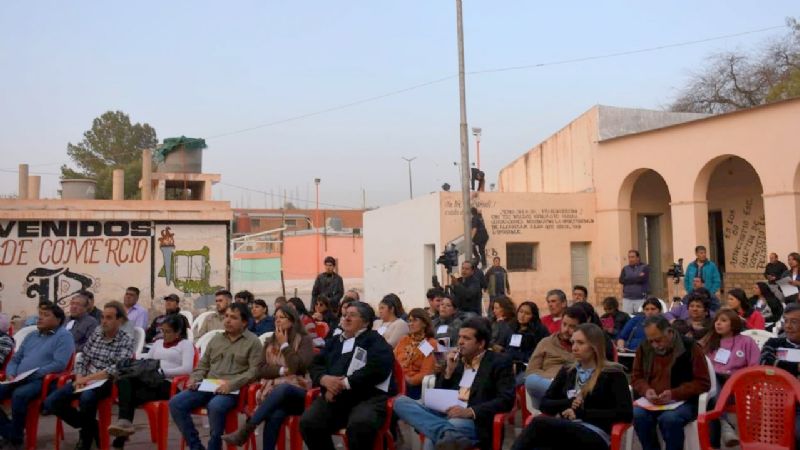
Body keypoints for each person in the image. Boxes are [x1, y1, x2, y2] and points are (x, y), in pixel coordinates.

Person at [393, 317, 515, 450]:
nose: (460, 342)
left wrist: (470, 411)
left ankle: (444, 432)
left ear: (481, 344)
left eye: (466, 338)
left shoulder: (499, 363)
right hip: (445, 412)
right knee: (400, 402)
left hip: (473, 420)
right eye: (460, 337)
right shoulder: (456, 360)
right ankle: (446, 432)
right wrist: (448, 372)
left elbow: (506, 400)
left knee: (434, 437)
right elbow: (439, 394)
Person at [511, 324, 633, 450]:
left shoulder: (613, 374)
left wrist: (580, 413)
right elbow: (545, 404)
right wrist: (568, 403)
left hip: (594, 433)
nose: (574, 348)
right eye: (573, 342)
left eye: (580, 343)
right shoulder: (568, 370)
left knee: (538, 423)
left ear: (594, 347)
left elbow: (625, 414)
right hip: (566, 429)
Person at [299, 301, 395, 450]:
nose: (347, 318)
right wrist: (324, 379)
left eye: (352, 315)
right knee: (309, 422)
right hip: (336, 398)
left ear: (365, 322)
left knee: (359, 425)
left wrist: (343, 384)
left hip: (366, 397)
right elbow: (315, 364)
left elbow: (377, 368)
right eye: (345, 315)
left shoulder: (375, 340)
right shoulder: (335, 341)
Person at [169, 303, 262, 450]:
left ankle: (214, 446)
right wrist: (195, 378)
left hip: (232, 389)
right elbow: (203, 364)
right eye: (226, 316)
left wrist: (231, 384)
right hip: (208, 385)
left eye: (233, 318)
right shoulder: (216, 339)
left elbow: (254, 372)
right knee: (176, 403)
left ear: (244, 322)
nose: (227, 320)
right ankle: (196, 446)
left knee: (215, 406)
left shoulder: (253, 342)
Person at [44, 301, 135, 450]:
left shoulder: (126, 339)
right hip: (85, 379)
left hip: (107, 382)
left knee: (86, 398)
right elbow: (83, 357)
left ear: (119, 320)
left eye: (109, 318)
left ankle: (85, 439)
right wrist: (80, 377)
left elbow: (115, 369)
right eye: (103, 317)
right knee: (51, 402)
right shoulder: (97, 333)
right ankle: (93, 427)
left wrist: (87, 379)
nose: (104, 321)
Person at [221, 305, 314, 448]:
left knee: (283, 388)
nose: (277, 321)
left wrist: (284, 345)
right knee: (275, 414)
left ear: (292, 321)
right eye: (276, 318)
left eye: (282, 317)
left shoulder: (304, 340)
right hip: (273, 394)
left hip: (299, 393)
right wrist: (282, 371)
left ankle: (247, 429)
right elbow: (260, 369)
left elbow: (298, 368)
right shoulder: (270, 341)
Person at [108, 314, 194, 449]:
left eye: (168, 332)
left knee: (128, 395)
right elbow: (148, 359)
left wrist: (163, 372)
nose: (164, 335)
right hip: (150, 379)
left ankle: (123, 430)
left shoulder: (186, 345)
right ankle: (124, 426)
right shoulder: (158, 343)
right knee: (124, 379)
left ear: (177, 332)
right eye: (163, 331)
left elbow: (187, 369)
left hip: (168, 383)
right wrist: (136, 362)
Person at [0, 302, 74, 449]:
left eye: (46, 315)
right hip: (19, 378)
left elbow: (59, 364)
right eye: (40, 314)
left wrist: (33, 374)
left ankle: (15, 440)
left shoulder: (64, 336)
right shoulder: (32, 335)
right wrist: (11, 373)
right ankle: (12, 434)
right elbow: (15, 359)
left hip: (43, 380)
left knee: (19, 395)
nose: (40, 318)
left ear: (58, 319)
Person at [631, 315, 711, 450]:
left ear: (669, 332)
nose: (655, 345)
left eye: (658, 340)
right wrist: (646, 390)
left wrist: (674, 393)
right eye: (651, 341)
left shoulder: (689, 347)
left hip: (683, 401)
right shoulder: (644, 347)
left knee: (669, 419)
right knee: (637, 415)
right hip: (652, 401)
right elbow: (636, 377)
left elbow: (703, 382)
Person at [699, 309, 760, 449]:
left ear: (733, 324)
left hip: (738, 388)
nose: (718, 323)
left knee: (713, 387)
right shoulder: (711, 341)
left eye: (723, 320)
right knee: (713, 380)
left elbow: (755, 367)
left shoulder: (746, 341)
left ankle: (724, 427)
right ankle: (724, 425)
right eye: (716, 321)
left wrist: (734, 376)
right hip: (714, 387)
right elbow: (702, 365)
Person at [524, 306, 588, 409]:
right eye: (564, 324)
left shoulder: (585, 347)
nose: (566, 330)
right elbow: (531, 370)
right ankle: (565, 401)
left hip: (572, 386)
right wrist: (552, 379)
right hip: (547, 384)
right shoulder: (546, 342)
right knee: (531, 380)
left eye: (572, 327)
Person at [760, 302, 800, 449]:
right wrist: (796, 367)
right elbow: (765, 363)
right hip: (777, 402)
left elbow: (774, 366)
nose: (788, 326)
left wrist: (779, 366)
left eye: (794, 322)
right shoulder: (774, 343)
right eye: (785, 321)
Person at [394, 308, 438, 400]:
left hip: (413, 385)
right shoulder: (404, 340)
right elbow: (392, 360)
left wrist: (408, 380)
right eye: (409, 321)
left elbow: (426, 372)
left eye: (415, 320)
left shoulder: (429, 343)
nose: (410, 324)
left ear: (424, 323)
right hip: (396, 379)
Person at [507, 302, 550, 385]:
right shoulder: (512, 327)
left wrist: (519, 363)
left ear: (533, 316)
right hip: (511, 365)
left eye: (527, 313)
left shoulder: (540, 331)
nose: (522, 315)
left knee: (513, 383)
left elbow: (539, 354)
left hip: (530, 367)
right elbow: (509, 349)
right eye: (521, 312)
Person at [619, 249, 650, 314]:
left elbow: (641, 279)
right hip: (627, 299)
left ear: (638, 258)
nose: (630, 259)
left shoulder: (644, 267)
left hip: (640, 299)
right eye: (629, 257)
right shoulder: (625, 268)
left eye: (632, 257)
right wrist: (637, 277)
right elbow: (621, 280)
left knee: (640, 317)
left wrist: (628, 279)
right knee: (627, 317)